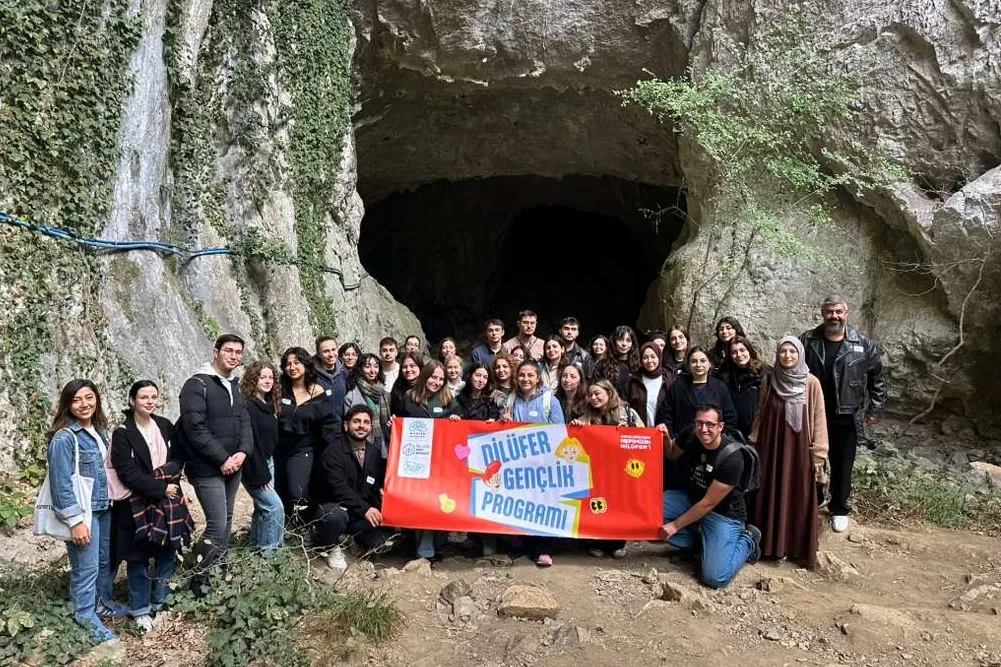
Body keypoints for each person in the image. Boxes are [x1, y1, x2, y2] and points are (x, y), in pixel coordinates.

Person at [46, 379, 125, 643]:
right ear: (68, 405)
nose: (84, 404)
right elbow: (61, 484)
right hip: (83, 513)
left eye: (89, 397)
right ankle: (84, 615)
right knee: (86, 567)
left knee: (102, 562)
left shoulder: (98, 430)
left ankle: (100, 604)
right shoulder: (65, 438)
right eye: (77, 400)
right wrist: (75, 521)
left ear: (97, 399)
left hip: (103, 508)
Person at [110, 380, 192, 632]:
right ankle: (140, 609)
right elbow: (126, 471)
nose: (149, 401)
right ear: (132, 401)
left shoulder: (165, 425)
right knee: (138, 557)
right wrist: (159, 487)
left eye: (153, 397)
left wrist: (169, 480)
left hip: (168, 498)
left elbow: (178, 457)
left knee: (168, 550)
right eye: (143, 397)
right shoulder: (123, 433)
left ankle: (161, 600)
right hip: (137, 502)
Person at [800, 295, 886, 533]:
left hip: (846, 415)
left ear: (846, 314)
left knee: (842, 464)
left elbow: (877, 379)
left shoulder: (862, 343)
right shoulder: (807, 340)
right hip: (812, 414)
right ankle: (815, 500)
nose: (834, 316)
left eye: (838, 311)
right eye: (829, 312)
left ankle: (839, 508)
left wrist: (875, 409)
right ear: (823, 314)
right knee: (811, 461)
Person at [177, 333, 253, 596]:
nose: (234, 356)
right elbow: (194, 428)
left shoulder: (234, 385)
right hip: (206, 468)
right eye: (228, 350)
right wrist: (223, 458)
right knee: (217, 525)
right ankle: (200, 582)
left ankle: (218, 573)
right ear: (216, 352)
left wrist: (243, 452)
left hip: (233, 466)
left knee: (227, 522)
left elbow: (244, 421)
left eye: (238, 352)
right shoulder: (196, 384)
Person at [659, 404, 761, 588]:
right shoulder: (691, 434)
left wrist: (675, 525)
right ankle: (696, 544)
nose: (703, 429)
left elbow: (708, 503)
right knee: (652, 509)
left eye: (710, 424)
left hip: (722, 514)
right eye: (699, 423)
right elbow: (671, 453)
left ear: (720, 426)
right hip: (692, 501)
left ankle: (749, 540)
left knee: (715, 577)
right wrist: (666, 439)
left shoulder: (733, 457)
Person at [749, 337, 829, 566]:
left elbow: (819, 418)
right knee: (771, 492)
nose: (787, 356)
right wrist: (753, 441)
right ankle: (770, 547)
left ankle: (795, 548)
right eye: (783, 351)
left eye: (792, 351)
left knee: (798, 494)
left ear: (800, 354)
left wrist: (819, 454)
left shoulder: (811, 382)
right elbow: (760, 413)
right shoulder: (769, 380)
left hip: (799, 452)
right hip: (771, 448)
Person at [313, 405, 394, 571]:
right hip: (335, 507)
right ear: (346, 425)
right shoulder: (332, 452)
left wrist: (379, 490)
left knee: (382, 542)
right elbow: (339, 489)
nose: (361, 426)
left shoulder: (374, 453)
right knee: (334, 518)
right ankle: (329, 546)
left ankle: (349, 539)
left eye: (366, 422)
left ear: (371, 427)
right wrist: (365, 509)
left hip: (357, 515)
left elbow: (374, 483)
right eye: (356, 421)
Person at [571, 378, 643, 559]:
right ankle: (597, 542)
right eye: (590, 395)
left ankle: (618, 542)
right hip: (597, 469)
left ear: (609, 393)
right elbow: (576, 432)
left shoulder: (628, 413)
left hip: (622, 470)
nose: (593, 398)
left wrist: (630, 430)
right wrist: (577, 426)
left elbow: (644, 436)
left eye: (597, 393)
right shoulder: (588, 415)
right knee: (598, 504)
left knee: (619, 505)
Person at [502, 360, 565, 566]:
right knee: (524, 505)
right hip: (519, 463)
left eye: (530, 375)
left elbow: (560, 431)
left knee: (544, 506)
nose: (526, 379)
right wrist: (504, 422)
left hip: (544, 463)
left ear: (538, 378)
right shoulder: (511, 399)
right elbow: (503, 430)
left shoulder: (549, 400)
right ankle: (527, 545)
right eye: (522, 375)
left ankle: (544, 550)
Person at [397, 361, 460, 560]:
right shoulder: (409, 398)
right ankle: (421, 543)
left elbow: (459, 428)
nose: (437, 382)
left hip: (441, 461)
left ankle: (430, 541)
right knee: (419, 501)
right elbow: (398, 422)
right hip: (415, 460)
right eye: (434, 377)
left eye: (441, 379)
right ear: (425, 376)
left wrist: (456, 421)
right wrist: (393, 424)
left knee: (436, 500)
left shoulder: (448, 400)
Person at [655, 346, 737, 491]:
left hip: (712, 447)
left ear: (710, 363)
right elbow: (666, 413)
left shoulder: (720, 387)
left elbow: (730, 418)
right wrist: (672, 439)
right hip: (682, 447)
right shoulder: (678, 386)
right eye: (694, 361)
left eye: (702, 361)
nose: (698, 365)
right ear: (689, 364)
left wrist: (720, 442)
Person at [274, 346, 336, 524]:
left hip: (303, 448)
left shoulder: (318, 391)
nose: (292, 367)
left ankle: (307, 523)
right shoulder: (279, 389)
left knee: (298, 491)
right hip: (277, 448)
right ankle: (284, 526)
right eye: (288, 364)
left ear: (306, 364)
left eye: (296, 362)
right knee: (278, 489)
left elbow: (328, 424)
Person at [238, 362, 285, 551]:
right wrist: (262, 474)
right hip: (255, 464)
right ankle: (269, 555)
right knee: (274, 507)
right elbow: (252, 443)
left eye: (271, 377)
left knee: (263, 509)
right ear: (253, 379)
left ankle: (256, 551)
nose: (268, 381)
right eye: (262, 377)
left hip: (268, 461)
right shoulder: (248, 407)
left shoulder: (269, 405)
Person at [344, 353, 392, 458]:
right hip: (361, 444)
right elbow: (348, 426)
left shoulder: (384, 394)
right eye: (367, 366)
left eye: (376, 366)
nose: (372, 370)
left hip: (383, 443)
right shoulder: (351, 395)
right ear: (360, 369)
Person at [722, 336, 769, 438]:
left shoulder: (764, 374)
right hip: (732, 432)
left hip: (757, 433)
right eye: (734, 352)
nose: (739, 355)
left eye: (742, 350)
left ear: (749, 350)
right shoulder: (726, 376)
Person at [626, 342, 675, 429]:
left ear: (659, 357)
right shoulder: (634, 380)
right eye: (645, 357)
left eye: (653, 357)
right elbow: (625, 405)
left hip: (663, 431)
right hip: (639, 431)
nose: (649, 361)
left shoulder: (669, 379)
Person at [314, 336, 346, 428]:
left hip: (341, 427)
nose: (331, 354)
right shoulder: (311, 375)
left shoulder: (343, 372)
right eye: (326, 351)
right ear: (319, 354)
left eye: (333, 349)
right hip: (320, 429)